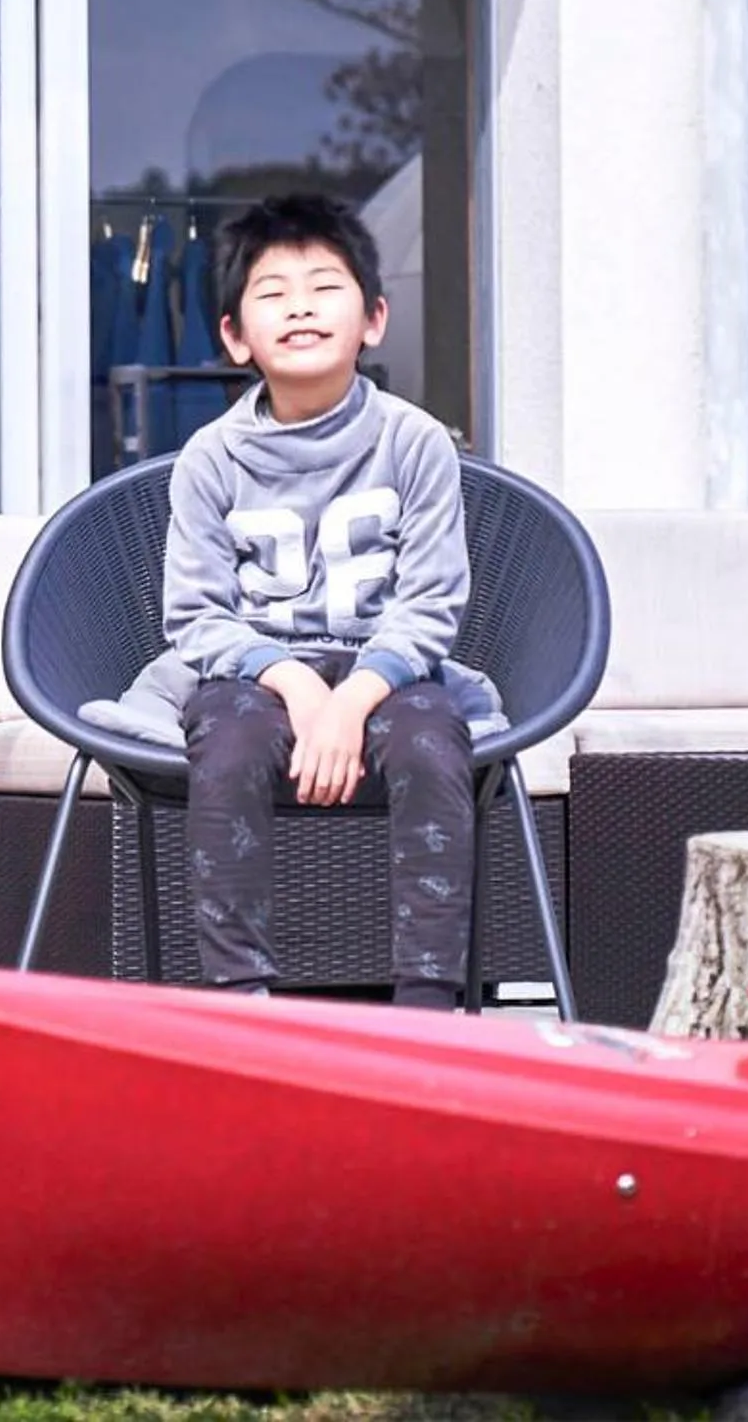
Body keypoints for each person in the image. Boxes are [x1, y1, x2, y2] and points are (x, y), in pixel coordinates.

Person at [150, 192, 492, 1005]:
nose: (299, 306)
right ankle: (241, 997)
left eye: (324, 286)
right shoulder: (210, 459)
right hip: (256, 679)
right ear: (235, 336)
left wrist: (353, 700)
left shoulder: (414, 442)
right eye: (271, 293)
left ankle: (427, 1005)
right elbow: (196, 612)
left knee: (430, 746)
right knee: (226, 751)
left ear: (373, 318)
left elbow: (433, 600)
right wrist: (298, 684)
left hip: (392, 676)